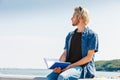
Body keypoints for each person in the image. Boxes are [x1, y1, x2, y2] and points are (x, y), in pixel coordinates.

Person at [47, 6, 99, 80]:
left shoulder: (92, 35)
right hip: (67, 67)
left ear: (80, 17)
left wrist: (71, 66)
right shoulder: (70, 35)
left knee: (62, 77)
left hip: (81, 68)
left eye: (73, 16)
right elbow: (65, 53)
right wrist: (59, 66)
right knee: (49, 77)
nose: (71, 18)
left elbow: (88, 58)